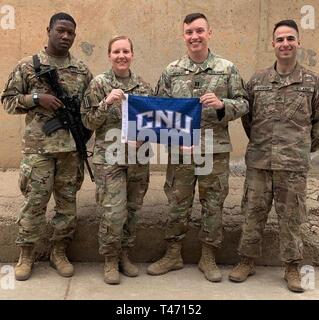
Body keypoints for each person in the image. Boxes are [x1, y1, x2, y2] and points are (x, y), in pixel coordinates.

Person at [147, 13, 249, 282]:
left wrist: (221, 105)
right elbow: (158, 109)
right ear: (184, 36)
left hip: (214, 151)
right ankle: (173, 254)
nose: (195, 36)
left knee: (212, 204)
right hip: (181, 152)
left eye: (199, 31)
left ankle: (208, 257)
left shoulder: (227, 69)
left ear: (209, 33)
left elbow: (244, 103)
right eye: (190, 32)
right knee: (177, 202)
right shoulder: (172, 71)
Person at [228, 20, 319, 293]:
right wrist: (261, 144)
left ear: (298, 42)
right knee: (252, 213)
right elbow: (249, 119)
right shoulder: (257, 81)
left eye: (290, 38)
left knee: (292, 216)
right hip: (259, 161)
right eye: (280, 39)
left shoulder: (312, 82)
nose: (285, 44)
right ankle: (247, 260)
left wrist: (301, 147)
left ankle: (292, 267)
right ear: (273, 44)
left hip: (293, 164)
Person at [1, 12, 93, 281]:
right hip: (38, 150)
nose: (65, 36)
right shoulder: (28, 65)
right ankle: (26, 254)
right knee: (34, 203)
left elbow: (89, 108)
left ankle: (59, 252)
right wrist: (36, 98)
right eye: (61, 30)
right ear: (49, 30)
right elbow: (7, 100)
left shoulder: (81, 70)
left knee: (67, 205)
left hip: (70, 151)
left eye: (70, 33)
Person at [81, 36, 153, 285]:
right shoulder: (99, 84)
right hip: (108, 158)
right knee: (113, 212)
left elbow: (153, 122)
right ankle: (110, 259)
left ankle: (125, 254)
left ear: (132, 54)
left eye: (126, 51)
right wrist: (106, 102)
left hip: (138, 158)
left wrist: (143, 138)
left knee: (132, 209)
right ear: (109, 55)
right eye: (116, 51)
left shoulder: (143, 86)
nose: (121, 55)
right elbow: (88, 122)